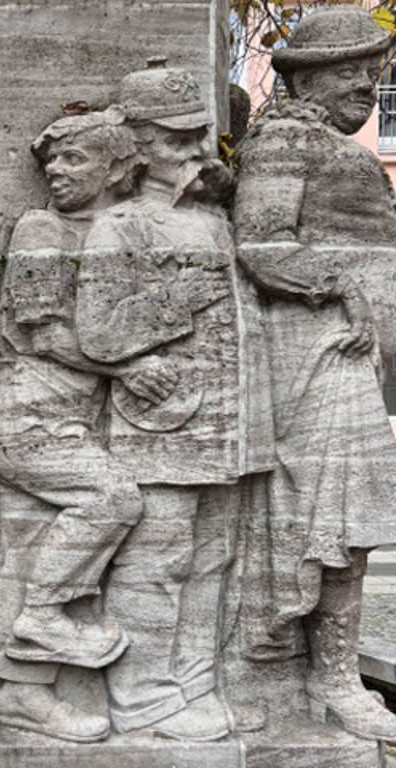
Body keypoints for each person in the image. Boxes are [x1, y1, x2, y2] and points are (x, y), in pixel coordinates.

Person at [74, 60, 273, 741]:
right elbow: (98, 333)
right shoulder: (120, 226)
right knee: (157, 560)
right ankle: (143, 699)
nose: (192, 148)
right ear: (135, 143)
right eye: (173, 137)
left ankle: (196, 686)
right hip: (165, 422)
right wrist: (172, 310)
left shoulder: (215, 220)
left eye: (197, 134)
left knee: (213, 557)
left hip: (227, 420)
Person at [0, 107, 175, 741]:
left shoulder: (120, 232)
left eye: (75, 159)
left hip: (79, 420)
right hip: (29, 416)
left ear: (119, 166)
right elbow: (42, 331)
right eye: (51, 162)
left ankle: (20, 695)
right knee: (112, 499)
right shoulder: (41, 228)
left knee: (37, 554)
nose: (57, 172)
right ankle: (42, 617)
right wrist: (127, 369)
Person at [232, 6, 396, 741]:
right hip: (316, 346)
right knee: (333, 518)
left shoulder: (328, 142)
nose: (368, 82)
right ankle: (326, 675)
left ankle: (329, 669)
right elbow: (261, 244)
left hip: (351, 346)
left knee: (350, 519)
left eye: (374, 68)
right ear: (307, 78)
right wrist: (339, 284)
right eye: (351, 69)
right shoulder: (288, 142)